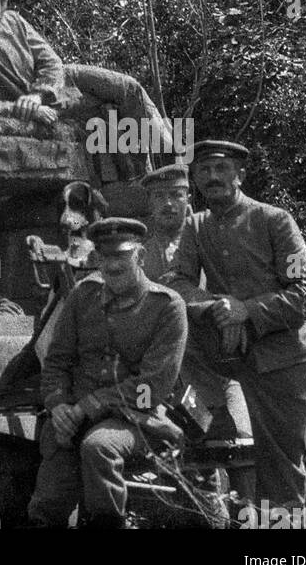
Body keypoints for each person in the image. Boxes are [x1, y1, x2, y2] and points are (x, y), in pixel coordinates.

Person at [166, 140, 306, 511]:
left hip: (284, 363)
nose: (212, 177)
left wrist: (248, 310)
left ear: (241, 175)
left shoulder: (274, 220)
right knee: (229, 457)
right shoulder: (196, 225)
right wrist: (216, 307)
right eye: (203, 170)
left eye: (221, 168)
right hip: (229, 362)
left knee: (281, 471)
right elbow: (176, 282)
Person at [27, 218, 188, 529]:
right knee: (48, 502)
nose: (112, 266)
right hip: (73, 418)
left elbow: (150, 388)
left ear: (140, 257)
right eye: (105, 257)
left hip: (135, 420)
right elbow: (56, 362)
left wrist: (87, 407)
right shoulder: (81, 297)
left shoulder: (167, 306)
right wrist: (58, 406)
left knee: (98, 446)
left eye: (121, 256)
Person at [0, 0, 175, 164]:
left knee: (129, 89)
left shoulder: (14, 21)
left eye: (2, 2)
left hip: (60, 81)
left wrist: (38, 94)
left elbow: (52, 61)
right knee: (109, 113)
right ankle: (153, 173)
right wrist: (25, 108)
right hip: (44, 105)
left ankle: (174, 159)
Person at [141, 163, 252, 450]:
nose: (168, 204)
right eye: (159, 197)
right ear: (149, 204)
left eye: (176, 195)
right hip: (173, 374)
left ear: (189, 199)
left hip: (223, 366)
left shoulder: (212, 239)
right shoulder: (140, 257)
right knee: (188, 454)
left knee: (240, 445)